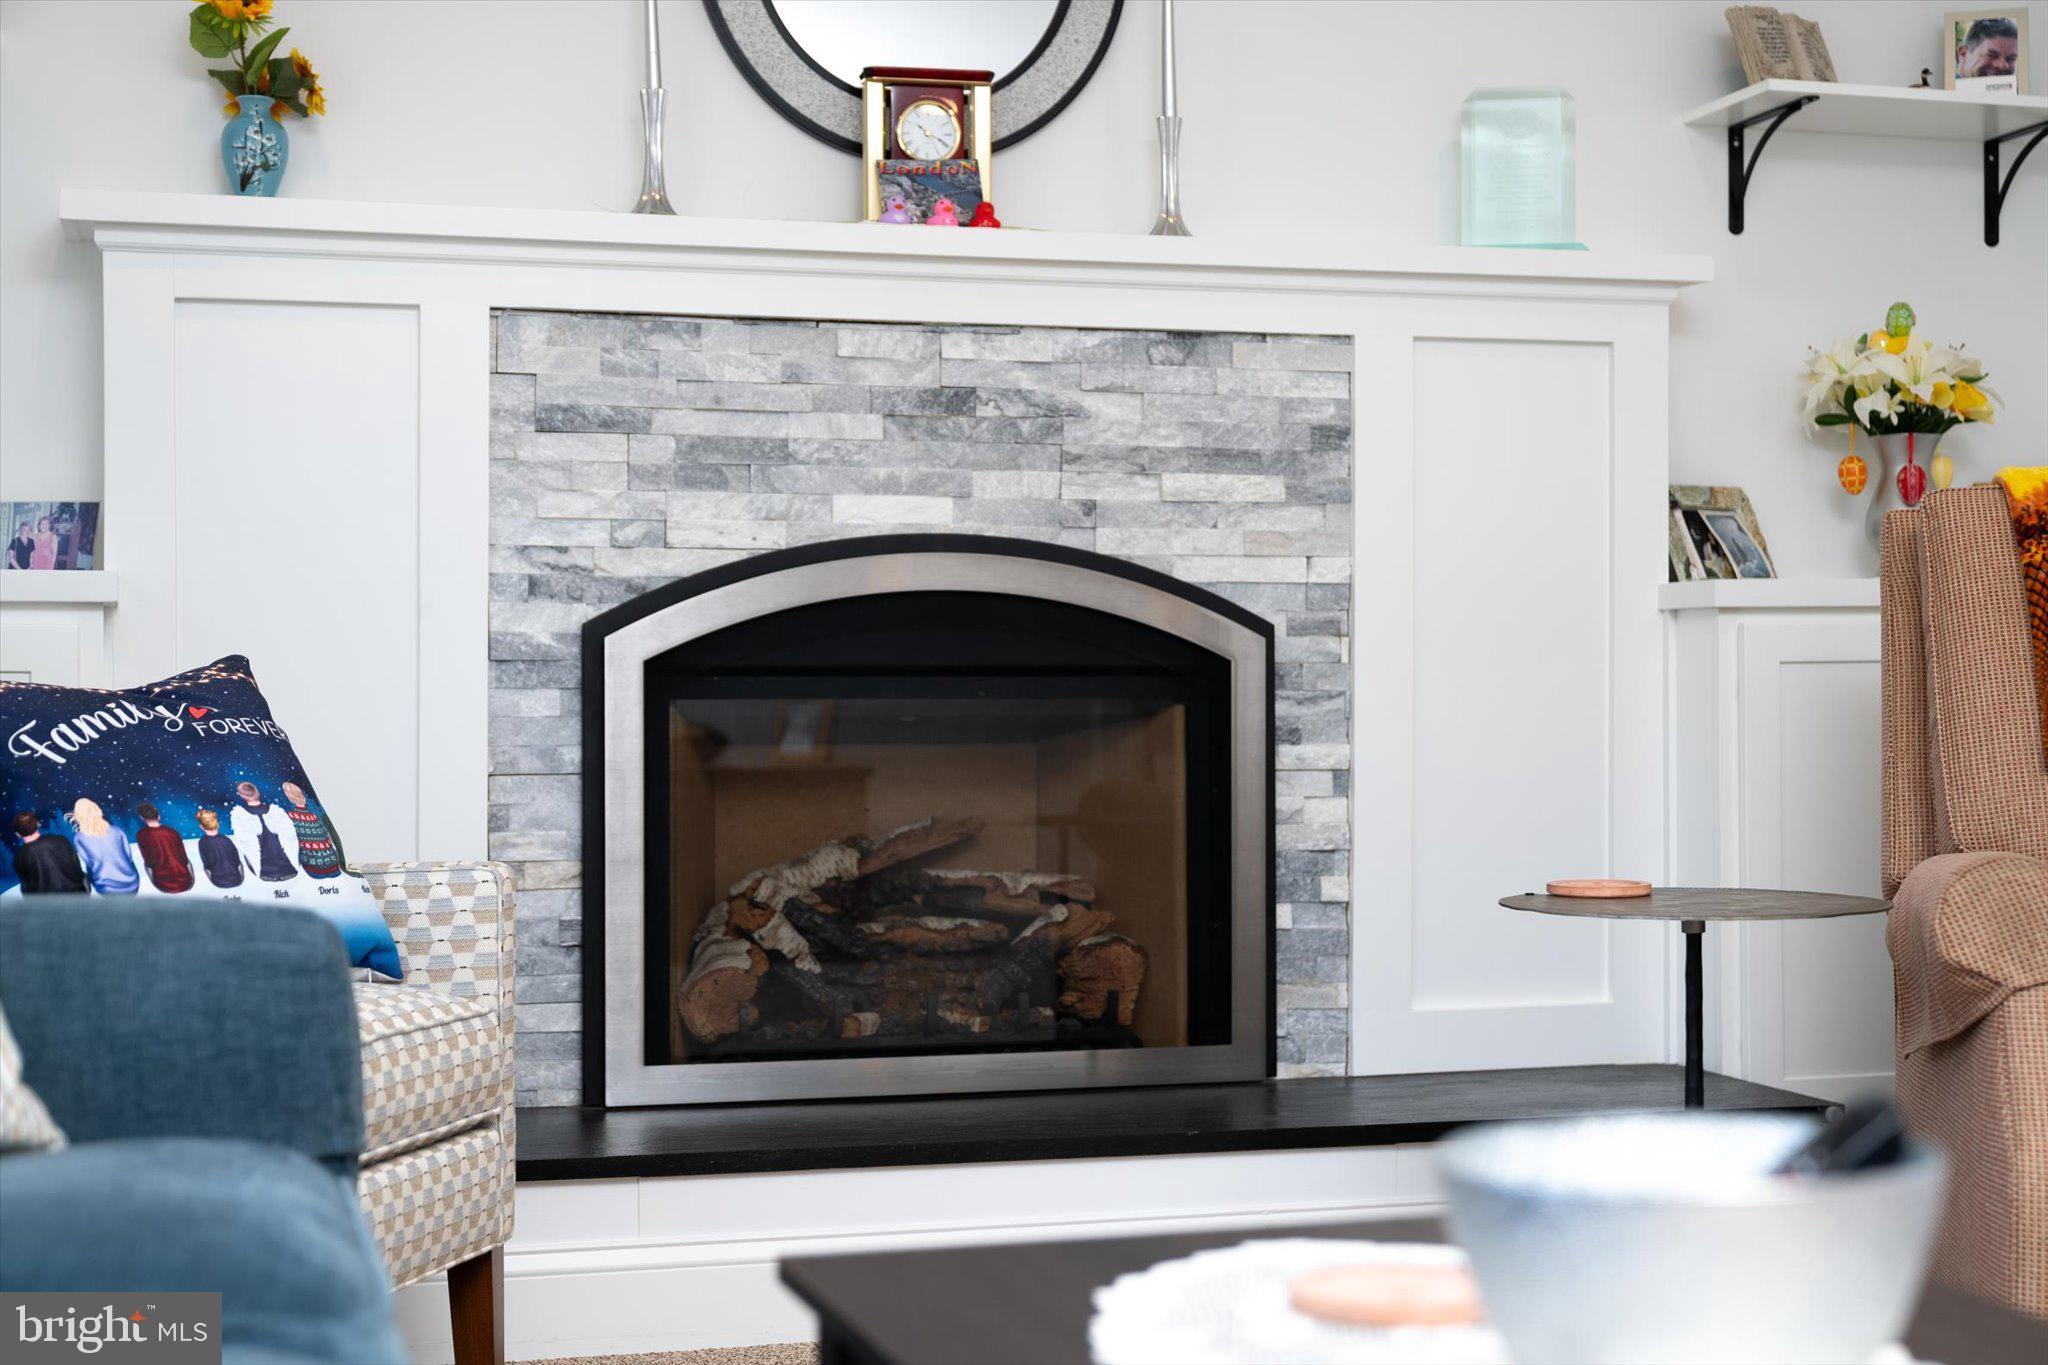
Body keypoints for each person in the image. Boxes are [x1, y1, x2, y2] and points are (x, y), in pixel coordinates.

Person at [229, 780, 299, 882]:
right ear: (258, 793)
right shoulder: (277, 812)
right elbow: (291, 837)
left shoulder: (239, 816)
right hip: (289, 870)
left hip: (265, 874)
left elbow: (244, 845)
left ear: (242, 796)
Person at [67, 797, 139, 895]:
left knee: (89, 869)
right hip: (132, 885)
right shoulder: (117, 830)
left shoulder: (79, 838)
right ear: (97, 810)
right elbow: (128, 856)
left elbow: (89, 863)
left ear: (78, 815)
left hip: (106, 889)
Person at [278, 781, 343, 879]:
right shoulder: (314, 815)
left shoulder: (291, 816)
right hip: (332, 863)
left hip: (313, 867)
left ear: (289, 796)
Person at [10, 811, 86, 894]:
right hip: (78, 898)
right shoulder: (61, 840)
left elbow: (28, 891)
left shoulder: (19, 860)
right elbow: (78, 871)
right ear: (38, 824)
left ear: (17, 834)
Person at [134, 801, 195, 894]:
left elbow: (148, 862)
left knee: (147, 864)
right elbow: (184, 859)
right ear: (159, 816)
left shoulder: (141, 835)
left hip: (163, 885)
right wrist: (191, 880)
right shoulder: (173, 832)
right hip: (185, 882)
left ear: (142, 818)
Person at [194, 807, 244, 889]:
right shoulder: (227, 840)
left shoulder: (202, 843)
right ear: (218, 824)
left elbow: (207, 866)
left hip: (218, 882)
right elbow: (237, 862)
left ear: (201, 827)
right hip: (236, 880)